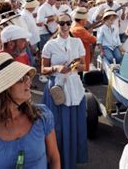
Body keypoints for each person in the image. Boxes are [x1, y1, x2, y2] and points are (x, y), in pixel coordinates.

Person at [0, 53, 60, 169]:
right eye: (20, 79)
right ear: (4, 90)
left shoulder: (42, 115)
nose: (28, 81)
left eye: (27, 76)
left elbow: (54, 159)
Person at [41, 13, 87, 169]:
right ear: (57, 24)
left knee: (73, 126)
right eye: (62, 23)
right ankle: (55, 161)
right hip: (57, 89)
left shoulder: (77, 42)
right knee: (57, 127)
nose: (65, 26)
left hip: (74, 87)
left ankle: (70, 161)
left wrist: (75, 66)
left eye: (68, 23)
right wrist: (56, 68)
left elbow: (83, 66)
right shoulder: (50, 45)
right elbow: (43, 69)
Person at [70, 7, 97, 71]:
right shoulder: (80, 29)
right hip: (82, 57)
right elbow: (93, 40)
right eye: (86, 19)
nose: (87, 21)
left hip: (75, 55)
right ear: (82, 20)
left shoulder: (73, 26)